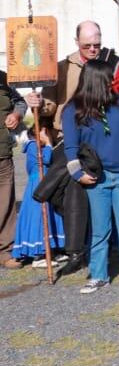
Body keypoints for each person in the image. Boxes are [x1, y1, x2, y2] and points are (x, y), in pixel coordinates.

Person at [62, 59, 119, 294]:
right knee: (100, 230)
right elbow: (70, 146)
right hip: (96, 178)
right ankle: (98, 275)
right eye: (109, 78)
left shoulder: (118, 103)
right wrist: (77, 173)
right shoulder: (73, 110)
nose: (113, 81)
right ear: (96, 80)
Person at [9, 125, 63, 265]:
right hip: (38, 185)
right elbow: (44, 159)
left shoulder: (38, 146)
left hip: (46, 183)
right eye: (45, 133)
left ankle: (50, 250)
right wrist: (49, 144)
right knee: (39, 217)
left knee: (49, 216)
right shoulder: (33, 146)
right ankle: (38, 255)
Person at [0, 70, 28, 267]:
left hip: (2, 151)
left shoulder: (3, 78)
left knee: (6, 203)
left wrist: (17, 114)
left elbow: (20, 101)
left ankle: (5, 251)